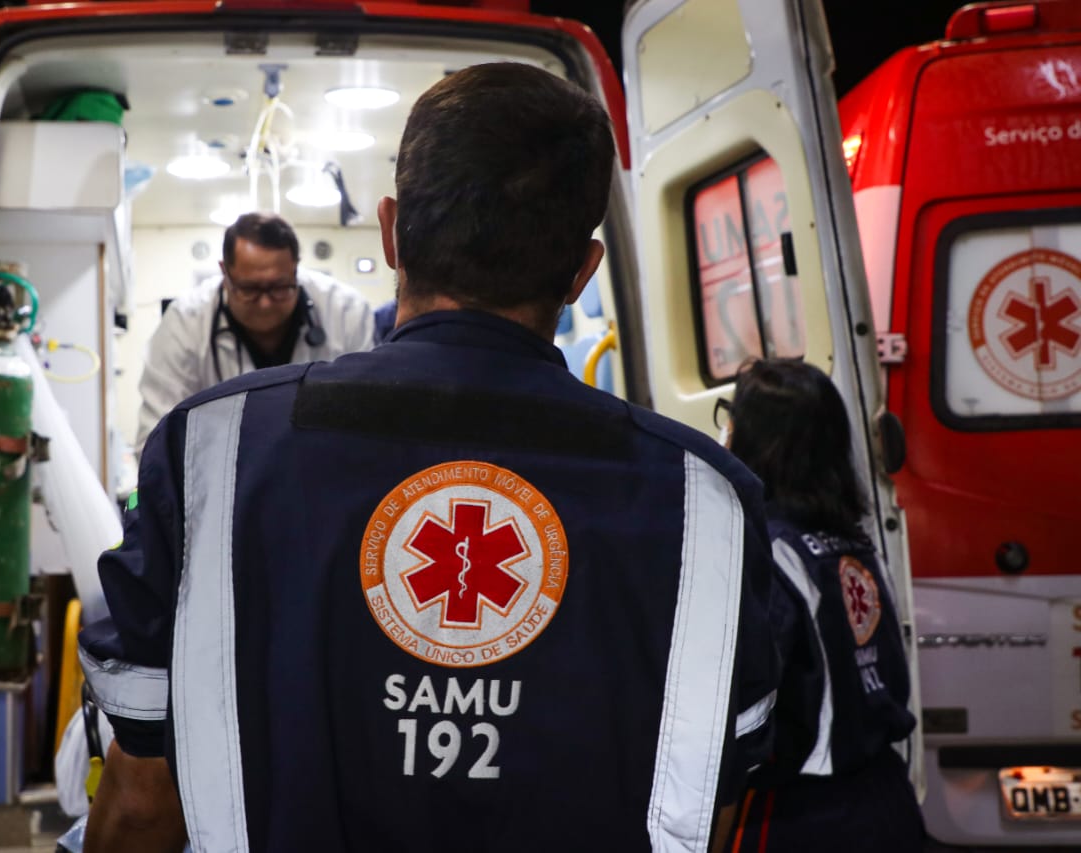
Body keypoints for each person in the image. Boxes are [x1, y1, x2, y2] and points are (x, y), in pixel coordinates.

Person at [79, 62, 782, 853]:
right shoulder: (707, 501)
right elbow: (714, 807)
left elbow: (143, 797)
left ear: (389, 232)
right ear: (583, 272)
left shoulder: (208, 453)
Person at [723, 359, 924, 852]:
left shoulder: (767, 552)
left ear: (757, 441)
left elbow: (742, 712)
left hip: (800, 815)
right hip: (889, 799)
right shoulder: (853, 543)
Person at [133, 212, 375, 452]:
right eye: (249, 289)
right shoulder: (185, 323)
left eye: (279, 287)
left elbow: (367, 424)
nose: (265, 304)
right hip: (219, 483)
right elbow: (157, 444)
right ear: (224, 272)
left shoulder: (346, 313)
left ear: (295, 268)